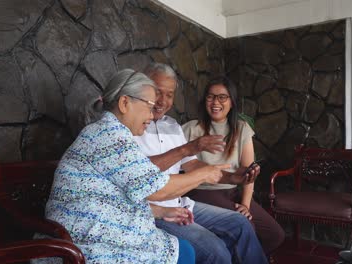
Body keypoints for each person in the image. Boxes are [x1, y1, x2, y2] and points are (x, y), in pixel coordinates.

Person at [43, 69, 228, 264]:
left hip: (97, 230)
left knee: (183, 250)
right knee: (186, 252)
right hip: (85, 241)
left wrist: (161, 211)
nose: (152, 114)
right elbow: (158, 188)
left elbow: (115, 195)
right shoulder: (108, 136)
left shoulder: (112, 133)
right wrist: (205, 174)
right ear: (124, 103)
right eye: (149, 106)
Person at [134, 63, 268, 264]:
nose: (163, 100)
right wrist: (188, 148)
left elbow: (192, 165)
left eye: (169, 94)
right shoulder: (131, 125)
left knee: (240, 223)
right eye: (157, 92)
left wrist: (232, 177)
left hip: (181, 203)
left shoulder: (172, 126)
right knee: (216, 250)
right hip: (152, 211)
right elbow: (139, 173)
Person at [182, 76, 285, 259]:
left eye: (222, 97)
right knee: (246, 227)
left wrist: (245, 204)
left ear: (231, 102)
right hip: (203, 192)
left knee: (274, 234)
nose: (215, 102)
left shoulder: (242, 129)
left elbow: (248, 172)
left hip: (233, 192)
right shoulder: (191, 129)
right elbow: (186, 167)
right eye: (210, 96)